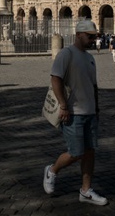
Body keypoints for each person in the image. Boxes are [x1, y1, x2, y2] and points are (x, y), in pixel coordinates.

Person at [42, 20, 107, 206]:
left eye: (95, 36)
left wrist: (97, 108)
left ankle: (86, 191)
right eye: (90, 36)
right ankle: (52, 170)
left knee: (89, 152)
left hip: (90, 111)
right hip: (72, 112)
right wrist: (63, 105)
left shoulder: (90, 58)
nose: (94, 40)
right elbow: (56, 79)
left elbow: (93, 86)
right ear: (79, 34)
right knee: (76, 152)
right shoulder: (66, 54)